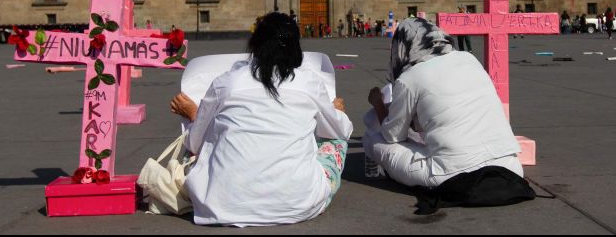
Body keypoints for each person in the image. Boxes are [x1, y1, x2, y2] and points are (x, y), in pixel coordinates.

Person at [169, 12, 353, 227]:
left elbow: (194, 144)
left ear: (255, 44)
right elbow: (339, 131)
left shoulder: (226, 82)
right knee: (335, 141)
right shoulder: (308, 82)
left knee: (201, 145)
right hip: (298, 203)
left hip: (220, 205)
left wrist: (194, 115)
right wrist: (336, 112)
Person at [362, 17, 524, 190]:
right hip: (511, 169)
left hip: (452, 175)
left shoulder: (409, 78)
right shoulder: (469, 59)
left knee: (373, 138)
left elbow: (393, 136)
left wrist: (378, 102)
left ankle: (388, 171)